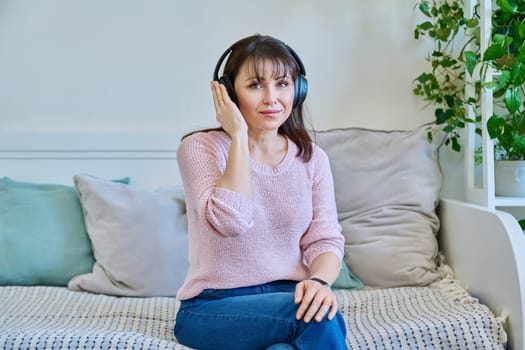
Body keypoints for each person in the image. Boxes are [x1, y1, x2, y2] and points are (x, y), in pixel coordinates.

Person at [174, 34, 348, 350]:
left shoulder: (312, 159)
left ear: (298, 90)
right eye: (255, 85)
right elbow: (231, 221)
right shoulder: (199, 148)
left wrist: (319, 282)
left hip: (287, 298)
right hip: (212, 308)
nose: (272, 98)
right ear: (228, 92)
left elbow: (325, 239)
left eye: (282, 84)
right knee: (316, 317)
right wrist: (238, 135)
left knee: (300, 330)